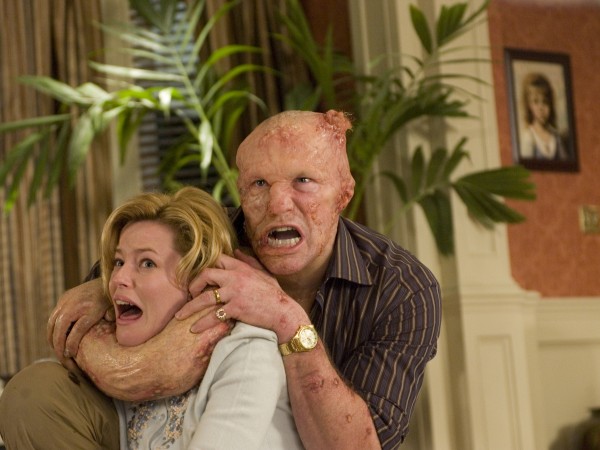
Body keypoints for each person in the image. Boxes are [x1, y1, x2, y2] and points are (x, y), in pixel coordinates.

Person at [2, 110, 442, 449]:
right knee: (36, 394)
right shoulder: (204, 238)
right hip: (159, 429)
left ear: (344, 193)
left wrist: (287, 319)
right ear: (240, 190)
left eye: (303, 181)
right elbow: (115, 288)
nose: (278, 204)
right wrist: (102, 289)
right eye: (259, 184)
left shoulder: (403, 288)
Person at [0, 187, 303, 450]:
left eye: (147, 263)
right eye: (119, 262)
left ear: (199, 279)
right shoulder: (128, 351)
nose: (119, 278)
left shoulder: (248, 353)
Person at [519, 72, 569, 161]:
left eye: (545, 102)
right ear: (529, 106)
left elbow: (566, 163)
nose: (541, 108)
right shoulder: (529, 137)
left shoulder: (556, 137)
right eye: (536, 102)